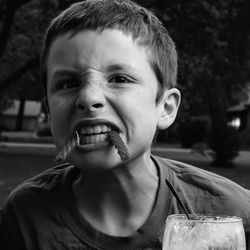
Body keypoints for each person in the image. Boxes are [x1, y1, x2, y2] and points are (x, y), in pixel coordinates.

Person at [1, 0, 250, 249]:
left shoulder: (234, 214)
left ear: (165, 108)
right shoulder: (25, 216)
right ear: (48, 109)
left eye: (120, 79)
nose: (88, 98)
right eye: (68, 83)